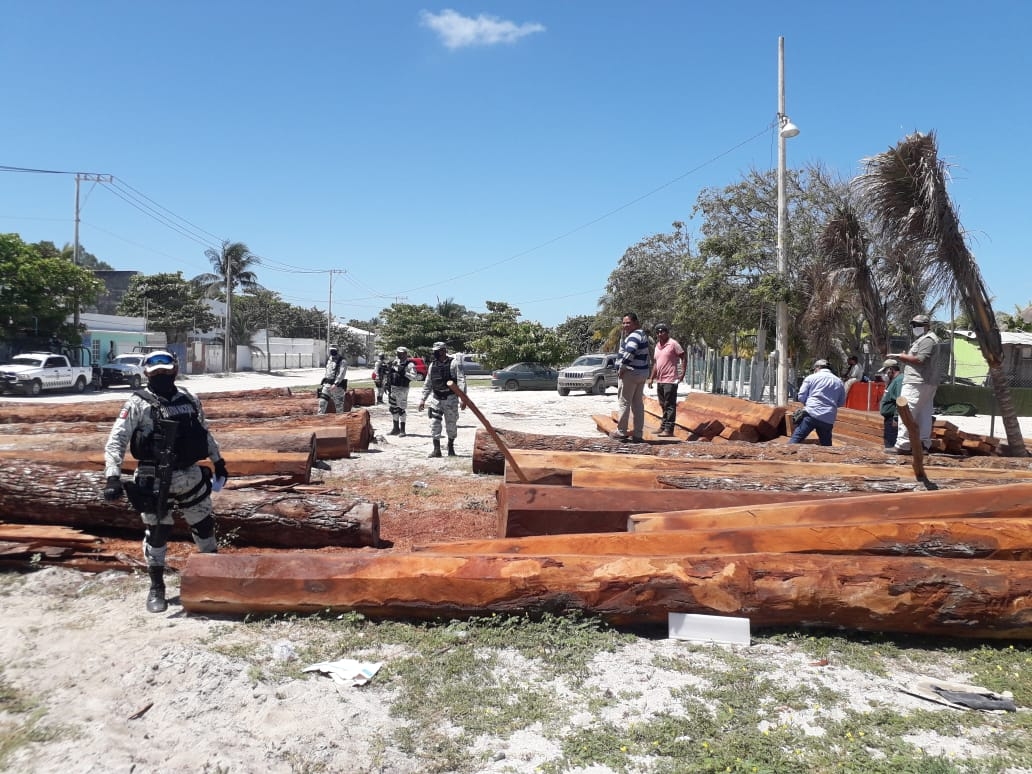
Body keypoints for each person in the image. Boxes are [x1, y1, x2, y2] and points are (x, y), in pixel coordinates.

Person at [101, 350, 228, 613]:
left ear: (174, 369)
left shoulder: (189, 398)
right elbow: (117, 440)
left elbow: (204, 433)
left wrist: (218, 462)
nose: (160, 373)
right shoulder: (137, 403)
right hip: (154, 478)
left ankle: (214, 577)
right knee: (157, 533)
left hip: (190, 476)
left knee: (204, 527)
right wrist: (112, 476)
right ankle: (157, 586)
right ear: (146, 372)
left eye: (165, 369)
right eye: (155, 369)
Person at [888, 313, 942, 454]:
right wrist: (906, 357)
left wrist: (901, 357)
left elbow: (920, 360)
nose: (915, 327)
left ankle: (903, 445)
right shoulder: (927, 339)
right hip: (926, 381)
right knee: (924, 413)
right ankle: (923, 445)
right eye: (913, 325)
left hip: (917, 381)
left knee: (906, 411)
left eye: (918, 325)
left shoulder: (927, 340)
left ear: (927, 326)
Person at [418, 341, 467, 457]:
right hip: (436, 399)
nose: (434, 353)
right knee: (434, 424)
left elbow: (461, 380)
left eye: (436, 351)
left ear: (443, 351)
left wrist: (463, 398)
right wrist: (422, 399)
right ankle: (436, 450)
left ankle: (451, 448)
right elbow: (428, 383)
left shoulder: (453, 363)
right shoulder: (432, 365)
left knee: (451, 425)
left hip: (450, 399)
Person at [610, 312, 650, 443]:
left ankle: (621, 432)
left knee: (624, 402)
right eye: (624, 323)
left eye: (628, 323)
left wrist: (622, 367)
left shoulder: (633, 336)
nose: (625, 325)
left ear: (636, 323)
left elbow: (631, 350)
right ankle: (638, 434)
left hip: (630, 373)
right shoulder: (642, 334)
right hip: (641, 373)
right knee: (638, 404)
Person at [788, 359, 846, 447]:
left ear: (818, 367)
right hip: (828, 417)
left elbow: (801, 396)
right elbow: (841, 402)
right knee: (826, 446)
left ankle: (786, 457)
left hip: (811, 414)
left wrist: (809, 404)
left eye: (814, 369)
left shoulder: (811, 378)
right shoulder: (839, 382)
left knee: (795, 440)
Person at [647, 323, 686, 437]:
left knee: (670, 405)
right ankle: (663, 426)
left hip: (670, 380)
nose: (660, 334)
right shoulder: (657, 346)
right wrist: (651, 378)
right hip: (660, 380)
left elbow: (683, 357)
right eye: (658, 332)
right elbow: (656, 363)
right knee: (663, 404)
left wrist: (682, 373)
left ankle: (669, 430)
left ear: (667, 332)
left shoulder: (673, 344)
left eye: (662, 331)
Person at [387, 346, 420, 437]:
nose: (399, 355)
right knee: (393, 408)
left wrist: (404, 373)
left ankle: (402, 430)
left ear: (405, 354)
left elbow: (414, 377)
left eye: (401, 353)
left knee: (401, 409)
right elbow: (390, 373)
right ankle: (395, 428)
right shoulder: (395, 362)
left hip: (403, 388)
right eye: (398, 353)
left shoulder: (410, 365)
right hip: (393, 388)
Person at [878, 358, 903, 451]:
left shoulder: (899, 380)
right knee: (888, 445)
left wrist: (896, 418)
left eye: (885, 371)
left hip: (893, 420)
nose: (884, 374)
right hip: (889, 419)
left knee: (891, 447)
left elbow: (900, 400)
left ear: (891, 369)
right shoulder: (893, 381)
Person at [317, 346, 349, 415]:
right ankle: (319, 420)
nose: (332, 352)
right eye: (331, 350)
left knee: (339, 407)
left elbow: (341, 374)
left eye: (333, 350)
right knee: (322, 403)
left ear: (337, 351)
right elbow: (327, 373)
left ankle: (339, 422)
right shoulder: (329, 360)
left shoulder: (342, 361)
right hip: (327, 385)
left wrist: (336, 384)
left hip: (337, 387)